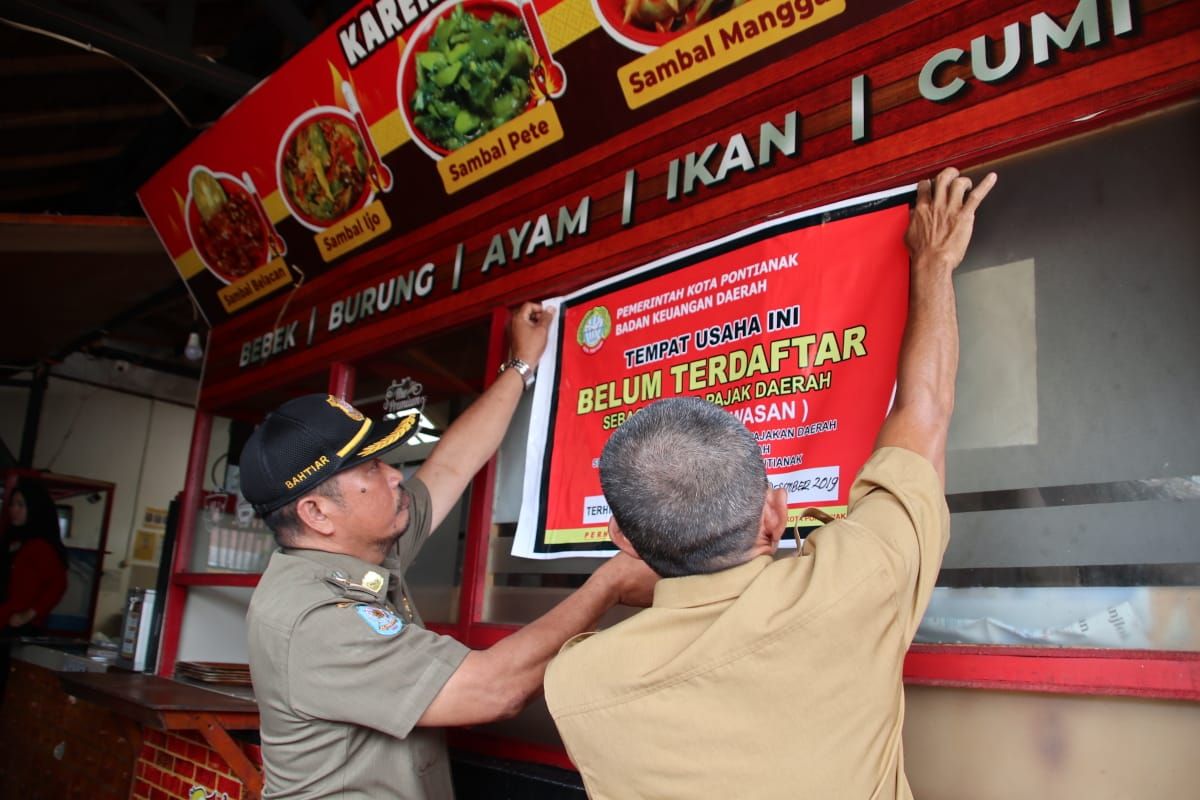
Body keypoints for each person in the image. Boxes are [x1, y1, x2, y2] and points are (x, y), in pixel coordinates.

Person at [544, 167, 997, 799]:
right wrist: (936, 260)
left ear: (620, 536)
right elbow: (924, 411)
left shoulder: (577, 684)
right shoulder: (860, 581)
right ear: (776, 513)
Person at [241, 302, 658, 799]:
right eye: (371, 469)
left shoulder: (361, 553)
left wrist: (520, 367)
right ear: (316, 513)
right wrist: (608, 584)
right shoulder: (316, 618)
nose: (396, 475)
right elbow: (494, 690)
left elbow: (451, 467)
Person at [0, 477, 69, 633]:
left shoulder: (39, 546)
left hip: (15, 626)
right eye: (12, 504)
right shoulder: (10, 540)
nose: (13, 510)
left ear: (34, 508)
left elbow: (57, 585)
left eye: (20, 505)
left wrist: (28, 614)